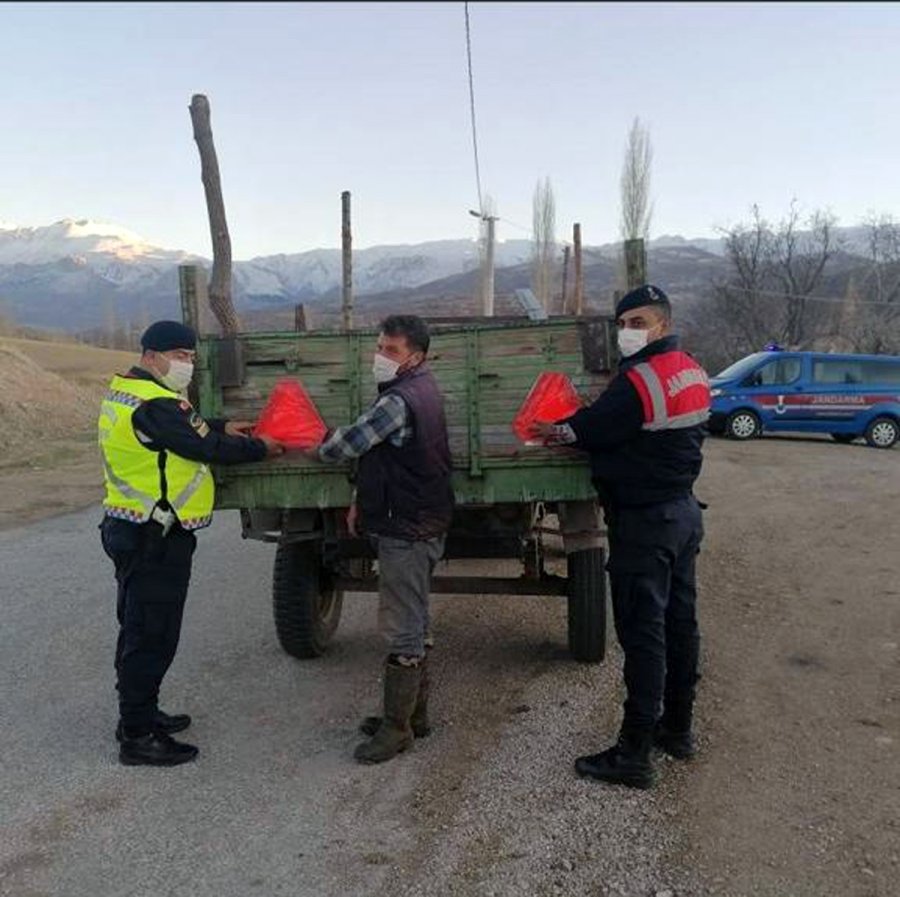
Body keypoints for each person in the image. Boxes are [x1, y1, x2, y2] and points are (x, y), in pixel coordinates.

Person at [533, 284, 710, 789]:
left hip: (644, 521)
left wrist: (556, 429)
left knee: (642, 633)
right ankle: (676, 730)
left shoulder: (640, 380)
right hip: (682, 513)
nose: (627, 332)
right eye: (623, 323)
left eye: (636, 323)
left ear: (661, 325)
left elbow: (588, 429)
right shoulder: (692, 369)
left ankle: (633, 753)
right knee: (680, 625)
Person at [98, 320, 283, 767]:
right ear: (152, 355)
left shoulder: (131, 392)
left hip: (133, 527)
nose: (187, 365)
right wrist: (260, 447)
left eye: (191, 358)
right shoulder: (156, 403)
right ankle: (138, 736)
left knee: (140, 625)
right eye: (180, 356)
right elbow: (203, 448)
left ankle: (139, 714)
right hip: (154, 534)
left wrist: (221, 424)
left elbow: (183, 431)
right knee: (152, 633)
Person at [315, 314, 454, 764]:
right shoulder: (423, 387)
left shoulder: (398, 401)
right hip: (421, 521)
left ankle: (396, 729)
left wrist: (312, 437)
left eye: (390, 350)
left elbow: (344, 446)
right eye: (379, 347)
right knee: (415, 615)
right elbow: (386, 458)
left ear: (415, 356)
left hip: (406, 528)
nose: (379, 356)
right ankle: (414, 716)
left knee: (403, 626)